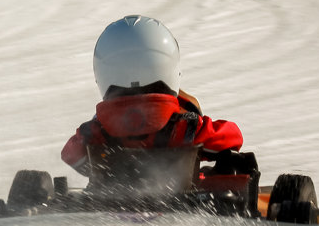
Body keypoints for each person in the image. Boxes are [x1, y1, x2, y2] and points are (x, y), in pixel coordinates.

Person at [61, 15, 243, 176]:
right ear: (167, 65)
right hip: (180, 206)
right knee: (241, 165)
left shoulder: (98, 130)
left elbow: (70, 154)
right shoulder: (186, 127)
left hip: (109, 205)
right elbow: (233, 137)